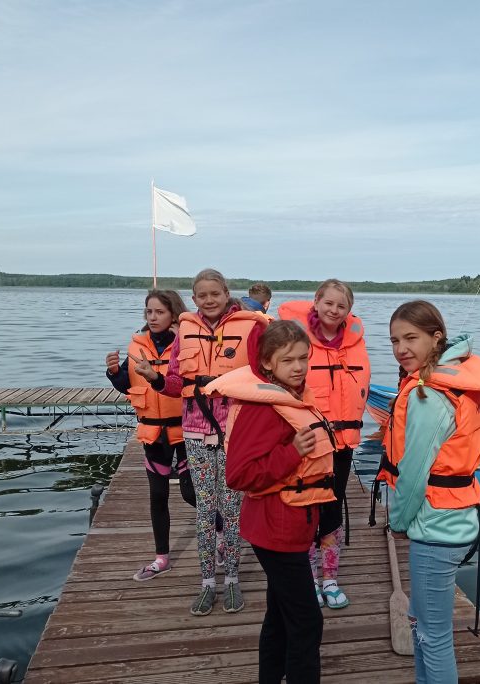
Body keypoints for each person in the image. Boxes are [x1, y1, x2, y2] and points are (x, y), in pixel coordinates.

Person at [374, 300, 480, 684]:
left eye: (410, 338)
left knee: (432, 636)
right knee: (420, 623)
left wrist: (398, 522)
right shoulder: (453, 379)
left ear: (436, 338)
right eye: (394, 340)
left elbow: (414, 474)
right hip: (457, 518)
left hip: (436, 529)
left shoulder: (429, 395)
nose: (401, 348)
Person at [133, 268, 269, 615]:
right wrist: (155, 378)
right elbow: (176, 382)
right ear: (193, 299)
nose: (209, 300)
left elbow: (263, 375)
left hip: (235, 432)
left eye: (215, 294)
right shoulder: (186, 330)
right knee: (206, 511)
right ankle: (207, 582)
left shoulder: (251, 327)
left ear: (226, 293)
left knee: (232, 510)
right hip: (194, 433)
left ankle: (233, 579)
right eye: (202, 295)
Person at [215, 320, 335, 684]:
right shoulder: (262, 407)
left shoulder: (291, 397)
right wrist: (292, 452)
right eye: (288, 360)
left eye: (303, 358)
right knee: (307, 621)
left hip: (291, 525)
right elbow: (238, 475)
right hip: (275, 531)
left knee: (281, 615)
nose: (298, 367)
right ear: (267, 363)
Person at [279, 279, 370, 609]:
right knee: (307, 508)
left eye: (341, 306)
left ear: (349, 310)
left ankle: (330, 577)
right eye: (328, 303)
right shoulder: (297, 337)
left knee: (332, 507)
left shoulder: (355, 341)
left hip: (342, 443)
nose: (334, 310)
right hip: (309, 441)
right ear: (315, 302)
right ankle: (308, 578)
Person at [105, 289, 200, 581]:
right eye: (149, 312)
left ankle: (222, 531)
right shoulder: (138, 344)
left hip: (184, 431)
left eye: (160, 312)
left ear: (173, 314)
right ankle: (161, 558)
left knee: (190, 493)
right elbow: (127, 383)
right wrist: (114, 373)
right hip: (152, 432)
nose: (153, 317)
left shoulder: (187, 343)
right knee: (157, 496)